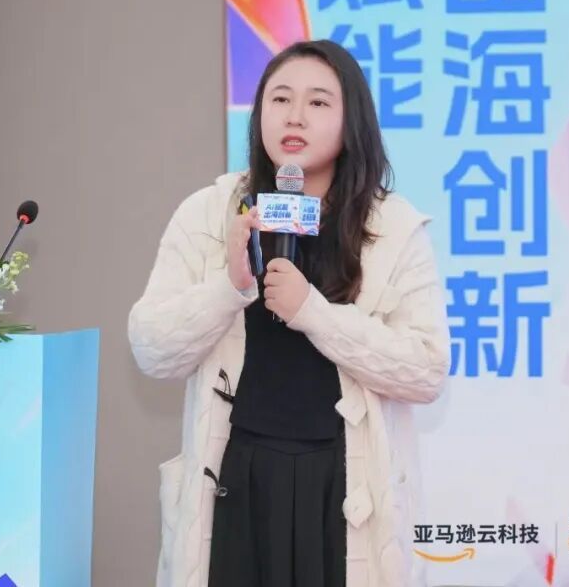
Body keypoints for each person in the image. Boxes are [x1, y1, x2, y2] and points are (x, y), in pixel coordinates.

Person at [129, 39, 451, 587]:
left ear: (351, 121)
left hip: (343, 488)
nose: (294, 116)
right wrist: (229, 286)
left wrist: (314, 313)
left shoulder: (393, 229)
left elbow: (426, 370)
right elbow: (152, 350)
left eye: (318, 102)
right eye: (280, 99)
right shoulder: (209, 214)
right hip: (237, 477)